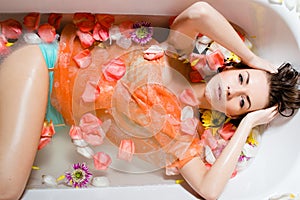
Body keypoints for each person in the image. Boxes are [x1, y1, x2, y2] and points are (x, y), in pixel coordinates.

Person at [0, 1, 299, 200]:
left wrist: (248, 125)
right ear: (231, 67)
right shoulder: (176, 55)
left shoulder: (183, 138)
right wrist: (252, 57)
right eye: (242, 79)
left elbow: (209, 190)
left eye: (243, 103)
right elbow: (200, 13)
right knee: (9, 190)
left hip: (43, 117)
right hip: (44, 66)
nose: (234, 91)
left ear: (234, 114)